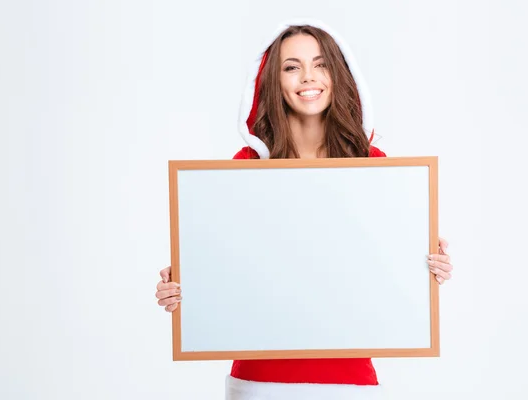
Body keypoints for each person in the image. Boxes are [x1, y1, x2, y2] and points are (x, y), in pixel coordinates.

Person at [155, 19, 454, 400]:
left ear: (339, 74)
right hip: (259, 380)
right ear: (273, 81)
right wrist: (182, 285)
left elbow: (385, 269)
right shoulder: (244, 166)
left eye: (320, 64)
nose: (307, 77)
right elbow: (224, 267)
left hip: (349, 378)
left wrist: (427, 266)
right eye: (292, 67)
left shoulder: (373, 164)